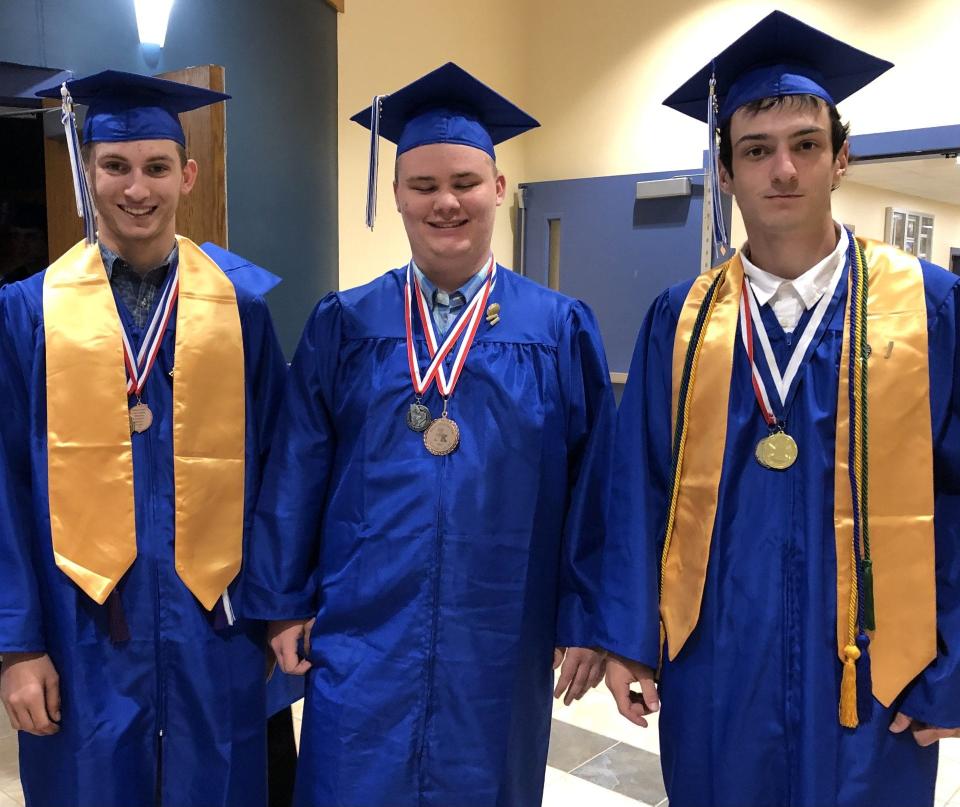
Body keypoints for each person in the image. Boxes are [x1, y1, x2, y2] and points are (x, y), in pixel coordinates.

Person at [597, 11, 960, 807]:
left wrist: (956, 663)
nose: (783, 169)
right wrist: (627, 640)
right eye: (757, 151)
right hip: (717, 661)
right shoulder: (682, 319)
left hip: (878, 673)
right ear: (725, 173)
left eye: (805, 144)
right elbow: (638, 490)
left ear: (842, 158)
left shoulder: (926, 307)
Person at [242, 62, 614, 807]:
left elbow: (595, 485)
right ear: (397, 196)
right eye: (423, 185)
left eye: (466, 182)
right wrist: (283, 599)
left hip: (502, 627)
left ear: (500, 189)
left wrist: (589, 617)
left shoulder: (558, 328)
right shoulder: (345, 323)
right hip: (362, 624)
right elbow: (296, 468)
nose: (446, 202)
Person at [0, 70, 287, 807]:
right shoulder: (27, 316)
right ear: (86, 172)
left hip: (215, 622)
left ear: (187, 175)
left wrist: (276, 610)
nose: (138, 188)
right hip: (78, 626)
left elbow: (283, 474)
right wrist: (17, 644)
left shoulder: (240, 309)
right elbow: (3, 486)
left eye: (157, 166)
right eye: (116, 166)